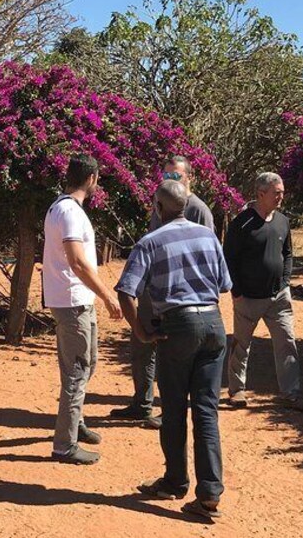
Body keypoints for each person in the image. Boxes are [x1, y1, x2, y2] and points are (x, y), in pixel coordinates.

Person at [115, 180, 232, 520]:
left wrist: (142, 332)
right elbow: (224, 285)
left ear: (157, 207)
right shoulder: (208, 236)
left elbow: (126, 291)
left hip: (178, 328)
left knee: (175, 409)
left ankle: (175, 480)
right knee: (207, 411)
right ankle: (210, 493)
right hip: (214, 324)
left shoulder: (149, 242)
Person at [111, 156, 215, 429]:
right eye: (166, 177)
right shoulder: (159, 207)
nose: (169, 181)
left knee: (173, 353)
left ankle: (167, 411)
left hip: (178, 298)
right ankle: (141, 403)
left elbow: (206, 254)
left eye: (176, 177)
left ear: (189, 178)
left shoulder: (199, 210)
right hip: (150, 291)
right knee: (141, 344)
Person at [43, 154, 122, 465]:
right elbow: (76, 262)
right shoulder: (69, 212)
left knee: (88, 364)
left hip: (78, 300)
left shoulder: (62, 207)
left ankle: (75, 423)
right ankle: (64, 446)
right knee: (76, 371)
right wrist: (107, 295)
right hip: (73, 301)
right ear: (93, 179)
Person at [223, 172, 303, 411]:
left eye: (282, 192)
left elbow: (288, 253)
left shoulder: (283, 221)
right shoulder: (241, 223)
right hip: (248, 297)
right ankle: (236, 390)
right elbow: (229, 258)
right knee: (241, 344)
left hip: (278, 297)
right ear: (261, 194)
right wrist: (237, 291)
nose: (281, 197)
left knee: (287, 342)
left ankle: (291, 393)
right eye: (276, 193)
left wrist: (285, 282)